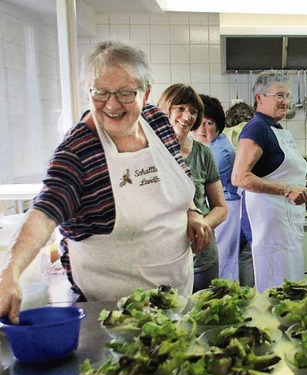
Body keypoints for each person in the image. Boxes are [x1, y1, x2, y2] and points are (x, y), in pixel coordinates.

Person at [0, 42, 213, 322]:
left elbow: (178, 177)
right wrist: (10, 272)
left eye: (125, 93)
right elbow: (44, 212)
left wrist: (193, 213)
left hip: (176, 296)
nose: (112, 105)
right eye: (100, 92)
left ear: (146, 93)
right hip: (111, 315)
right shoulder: (77, 151)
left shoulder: (158, 122)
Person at [231, 70, 307, 292]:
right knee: (276, 286)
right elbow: (239, 177)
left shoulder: (277, 129)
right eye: (279, 96)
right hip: (269, 225)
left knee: (290, 283)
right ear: (260, 97)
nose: (285, 102)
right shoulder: (256, 128)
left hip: (284, 223)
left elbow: (282, 175)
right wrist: (287, 191)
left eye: (287, 96)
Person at [158, 85, 228, 292]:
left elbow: (220, 208)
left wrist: (200, 228)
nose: (187, 116)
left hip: (202, 260)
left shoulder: (203, 154)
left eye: (193, 111)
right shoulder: (151, 152)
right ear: (166, 110)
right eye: (180, 108)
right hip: (163, 261)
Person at [192, 94, 240, 282]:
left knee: (224, 261)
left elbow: (201, 186)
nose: (203, 129)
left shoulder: (221, 151)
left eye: (209, 123)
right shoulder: (207, 146)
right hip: (217, 208)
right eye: (200, 122)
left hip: (228, 208)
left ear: (218, 126)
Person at [225, 101, 257, 287]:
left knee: (239, 253)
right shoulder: (247, 134)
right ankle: (252, 294)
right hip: (246, 202)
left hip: (230, 206)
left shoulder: (224, 137)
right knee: (248, 252)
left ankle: (243, 293)